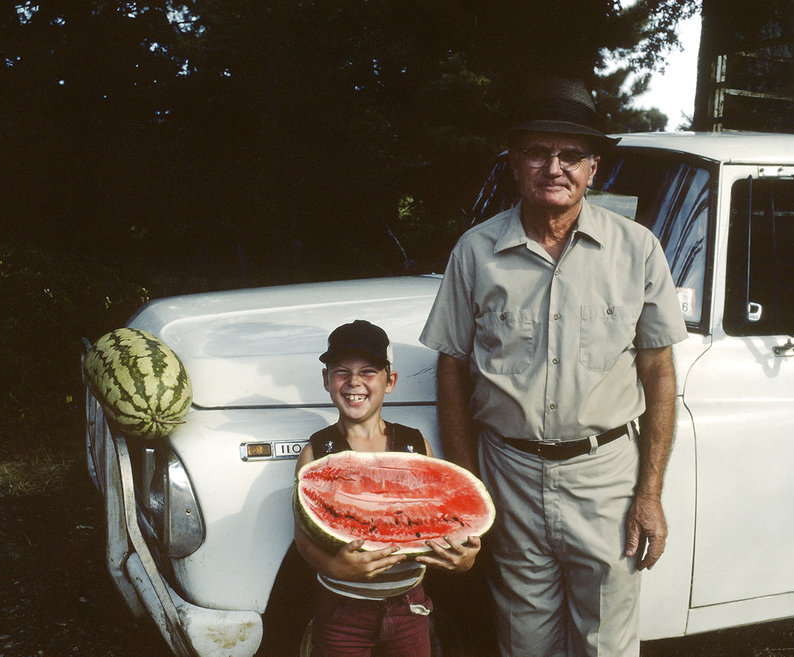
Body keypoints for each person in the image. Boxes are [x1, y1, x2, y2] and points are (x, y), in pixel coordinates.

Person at [419, 77, 688, 657]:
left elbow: (660, 373)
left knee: (606, 645)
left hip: (606, 478)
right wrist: (469, 488)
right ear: (516, 163)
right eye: (538, 152)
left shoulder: (638, 248)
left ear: (594, 168)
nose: (554, 167)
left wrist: (649, 494)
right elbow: (451, 370)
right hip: (508, 475)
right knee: (523, 642)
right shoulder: (475, 251)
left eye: (571, 155)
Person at [294, 319, 482, 657]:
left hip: (409, 609)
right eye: (341, 372)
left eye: (368, 372)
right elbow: (303, 537)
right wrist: (334, 567)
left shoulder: (415, 446)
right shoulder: (317, 453)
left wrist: (464, 557)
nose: (354, 383)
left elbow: (439, 521)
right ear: (326, 380)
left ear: (389, 381)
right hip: (341, 611)